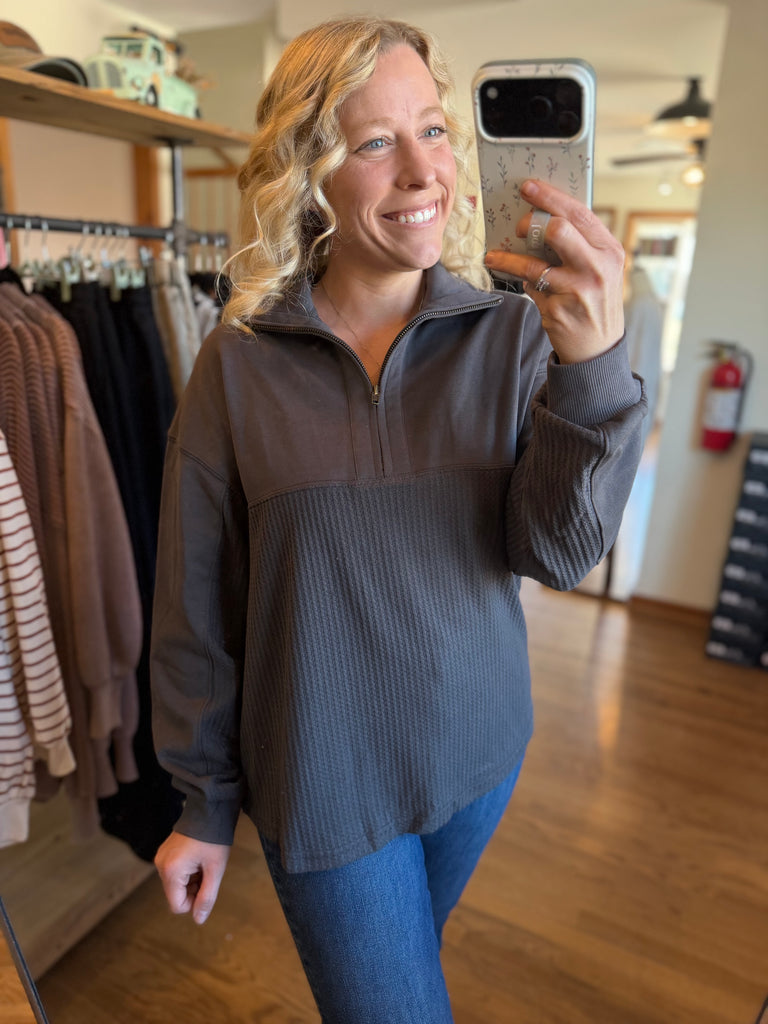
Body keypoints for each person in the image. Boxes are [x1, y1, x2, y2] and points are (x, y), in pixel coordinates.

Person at [150, 15, 646, 1023]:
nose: (424, 173)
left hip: (480, 752)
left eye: (434, 130)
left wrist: (593, 369)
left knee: (406, 965)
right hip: (323, 781)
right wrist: (202, 799)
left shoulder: (513, 333)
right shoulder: (237, 362)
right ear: (312, 174)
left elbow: (556, 553)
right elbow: (194, 595)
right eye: (375, 141)